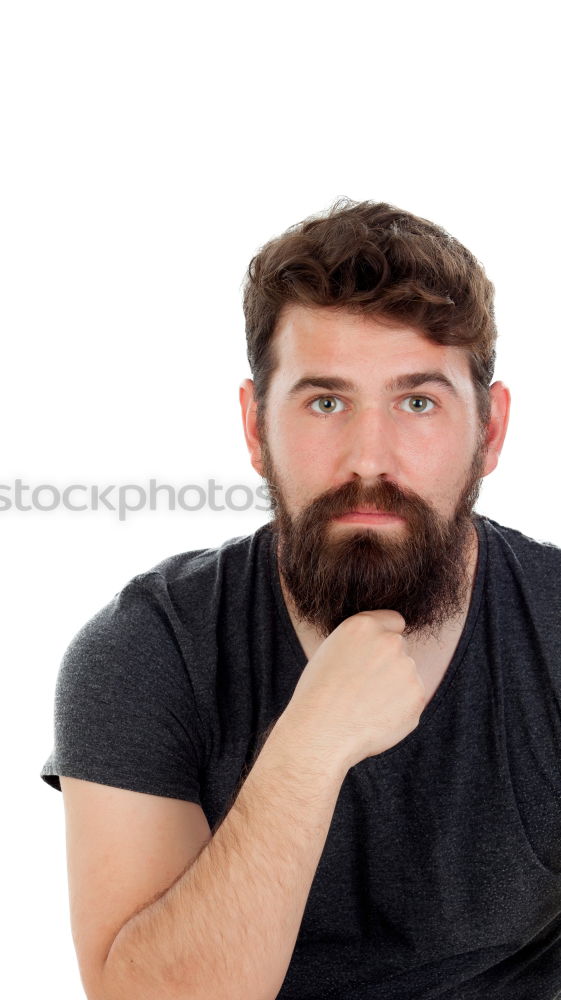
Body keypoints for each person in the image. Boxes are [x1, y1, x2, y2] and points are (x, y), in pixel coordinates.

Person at [39, 200, 561, 1000]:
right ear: (255, 427)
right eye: (325, 402)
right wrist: (308, 748)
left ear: (489, 431)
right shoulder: (146, 651)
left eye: (416, 402)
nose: (367, 458)